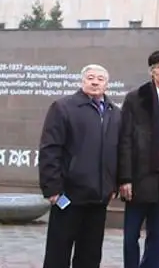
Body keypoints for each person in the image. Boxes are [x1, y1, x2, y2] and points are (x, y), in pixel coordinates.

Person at [39, 64, 122, 268]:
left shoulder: (115, 113)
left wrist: (114, 183)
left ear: (107, 84)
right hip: (68, 195)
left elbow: (119, 151)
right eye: (90, 77)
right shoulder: (63, 107)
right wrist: (52, 188)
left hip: (99, 196)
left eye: (100, 79)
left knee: (90, 254)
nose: (95, 82)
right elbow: (50, 149)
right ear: (82, 81)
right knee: (59, 252)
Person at [118, 50, 159, 268]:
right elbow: (125, 139)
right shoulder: (136, 98)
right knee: (131, 236)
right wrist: (125, 178)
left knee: (158, 236)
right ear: (152, 71)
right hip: (138, 179)